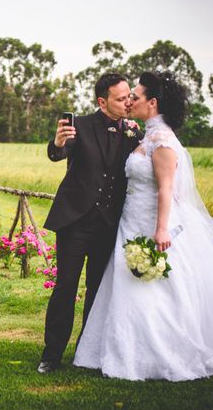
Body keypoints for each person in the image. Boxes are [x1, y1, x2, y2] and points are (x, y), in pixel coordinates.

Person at [73, 71, 213, 381]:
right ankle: (114, 349)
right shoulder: (147, 135)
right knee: (125, 285)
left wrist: (160, 230)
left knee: (153, 288)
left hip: (150, 224)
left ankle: (155, 353)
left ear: (153, 103)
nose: (131, 100)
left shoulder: (163, 142)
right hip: (129, 221)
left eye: (137, 96)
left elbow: (166, 189)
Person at [37, 73, 142, 374]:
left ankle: (87, 351)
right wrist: (57, 145)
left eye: (129, 96)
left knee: (97, 290)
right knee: (65, 287)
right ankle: (51, 354)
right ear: (101, 101)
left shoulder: (133, 132)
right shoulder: (79, 126)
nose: (127, 102)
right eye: (121, 98)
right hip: (75, 222)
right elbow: (59, 152)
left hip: (109, 225)